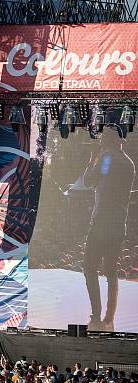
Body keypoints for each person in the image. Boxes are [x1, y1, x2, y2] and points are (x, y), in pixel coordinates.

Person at [72, 124, 136, 332]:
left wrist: (94, 159)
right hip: (118, 225)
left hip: (101, 223)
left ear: (107, 143)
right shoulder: (129, 163)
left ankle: (97, 315)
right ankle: (109, 318)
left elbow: (90, 181)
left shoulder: (107, 160)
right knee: (110, 271)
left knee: (89, 267)